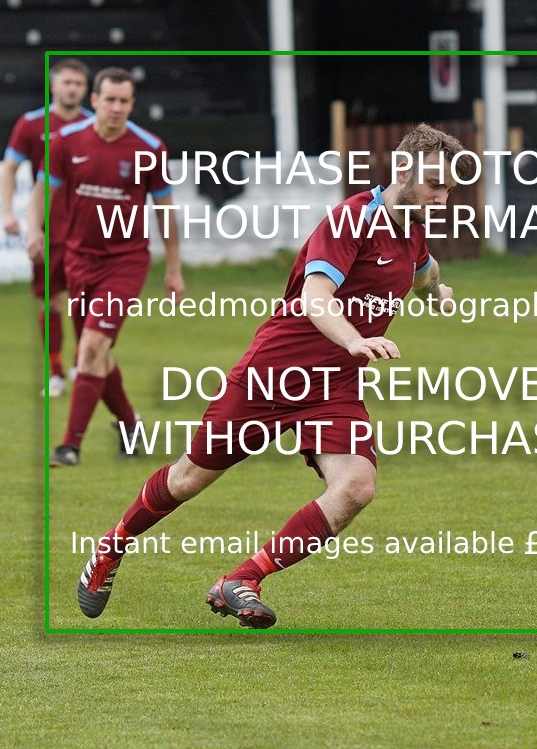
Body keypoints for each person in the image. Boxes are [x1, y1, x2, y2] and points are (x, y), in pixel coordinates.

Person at [75, 123, 474, 628]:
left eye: (449, 189)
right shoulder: (352, 220)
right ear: (402, 170)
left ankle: (242, 579)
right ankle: (110, 549)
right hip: (275, 371)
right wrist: (353, 339)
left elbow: (423, 270)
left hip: (334, 386)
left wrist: (437, 291)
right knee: (188, 478)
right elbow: (314, 299)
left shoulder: (413, 228)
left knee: (356, 487)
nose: (443, 196)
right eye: (436, 184)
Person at [30, 66, 184, 467]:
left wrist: (173, 268)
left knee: (92, 347)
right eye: (110, 99)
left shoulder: (149, 147)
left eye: (125, 101)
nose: (117, 108)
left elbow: (165, 212)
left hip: (125, 263)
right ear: (94, 100)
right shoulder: (64, 141)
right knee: (96, 355)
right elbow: (40, 192)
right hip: (79, 261)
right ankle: (132, 426)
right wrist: (34, 231)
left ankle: (69, 446)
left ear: (132, 104)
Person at [0, 58, 91, 397]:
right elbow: (9, 168)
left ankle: (83, 363)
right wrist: (8, 213)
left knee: (86, 302)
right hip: (49, 229)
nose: (72, 89)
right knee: (52, 301)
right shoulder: (31, 123)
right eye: (67, 82)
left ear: (86, 89)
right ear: (54, 85)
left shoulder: (95, 126)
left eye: (78, 83)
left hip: (87, 229)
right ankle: (56, 372)